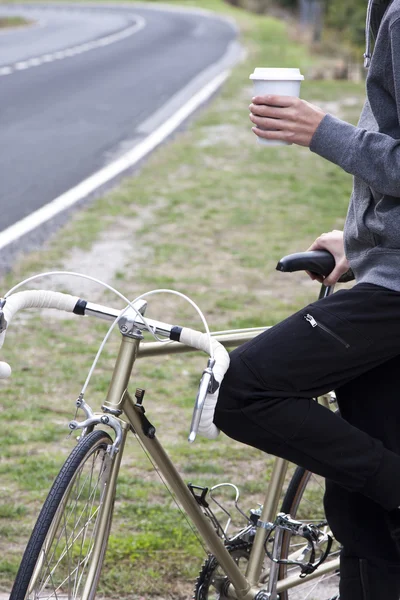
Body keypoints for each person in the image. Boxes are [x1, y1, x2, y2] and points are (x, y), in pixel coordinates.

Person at [213, 1, 400, 598]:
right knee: (362, 511)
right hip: (384, 269)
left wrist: (317, 130)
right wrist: (362, 239)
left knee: (245, 388)